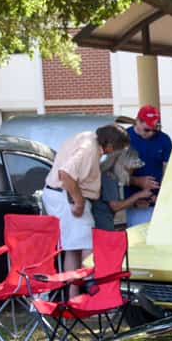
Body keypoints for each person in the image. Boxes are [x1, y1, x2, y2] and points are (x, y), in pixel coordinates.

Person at [43, 125, 131, 295]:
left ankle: (73, 298)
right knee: (88, 246)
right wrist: (79, 201)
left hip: (59, 194)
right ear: (111, 146)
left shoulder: (87, 137)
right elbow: (66, 174)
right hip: (67, 196)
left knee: (73, 248)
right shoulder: (89, 149)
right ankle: (95, 292)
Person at [92, 132, 153, 231]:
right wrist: (139, 195)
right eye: (130, 168)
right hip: (102, 224)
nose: (132, 172)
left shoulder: (111, 176)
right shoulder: (109, 177)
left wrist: (134, 203)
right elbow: (115, 206)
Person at [124, 105, 172, 226]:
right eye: (147, 129)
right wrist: (138, 181)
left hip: (159, 202)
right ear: (137, 121)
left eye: (155, 129)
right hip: (135, 204)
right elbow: (115, 175)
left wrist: (163, 195)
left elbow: (170, 172)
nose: (151, 133)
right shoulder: (124, 138)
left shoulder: (164, 139)